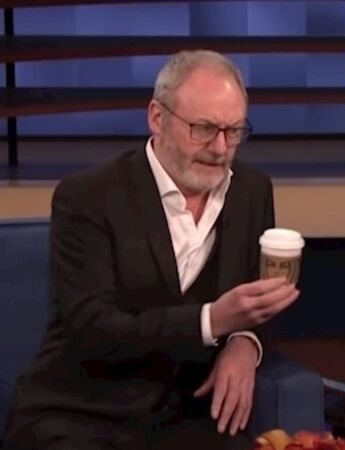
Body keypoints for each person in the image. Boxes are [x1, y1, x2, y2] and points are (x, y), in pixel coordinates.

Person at [2, 50, 300, 450]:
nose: (220, 147)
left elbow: (257, 296)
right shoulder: (89, 196)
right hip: (82, 414)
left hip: (186, 417)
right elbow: (93, 328)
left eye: (233, 131)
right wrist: (212, 320)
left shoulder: (251, 191)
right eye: (203, 128)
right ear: (157, 118)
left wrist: (245, 342)